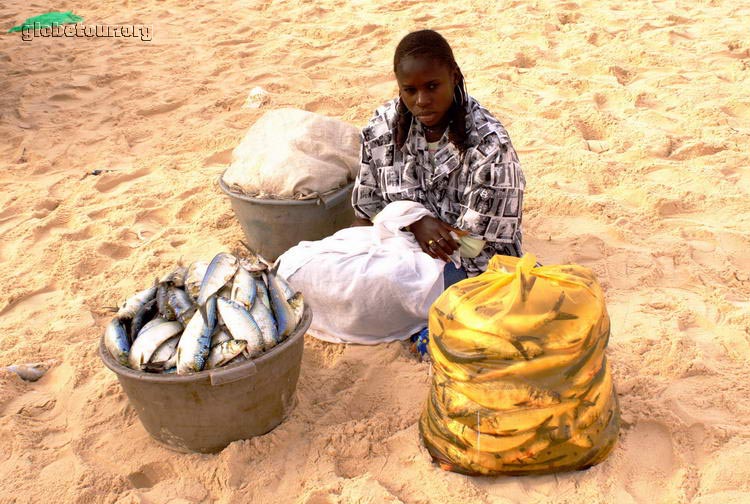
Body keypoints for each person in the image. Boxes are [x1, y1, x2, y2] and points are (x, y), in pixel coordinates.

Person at [352, 30, 526, 286]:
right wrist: (414, 223)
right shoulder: (381, 129)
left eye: (432, 86)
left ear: (454, 77)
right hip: (393, 251)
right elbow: (365, 213)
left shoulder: (490, 147)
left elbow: (473, 246)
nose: (421, 100)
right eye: (409, 90)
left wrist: (403, 232)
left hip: (471, 268)